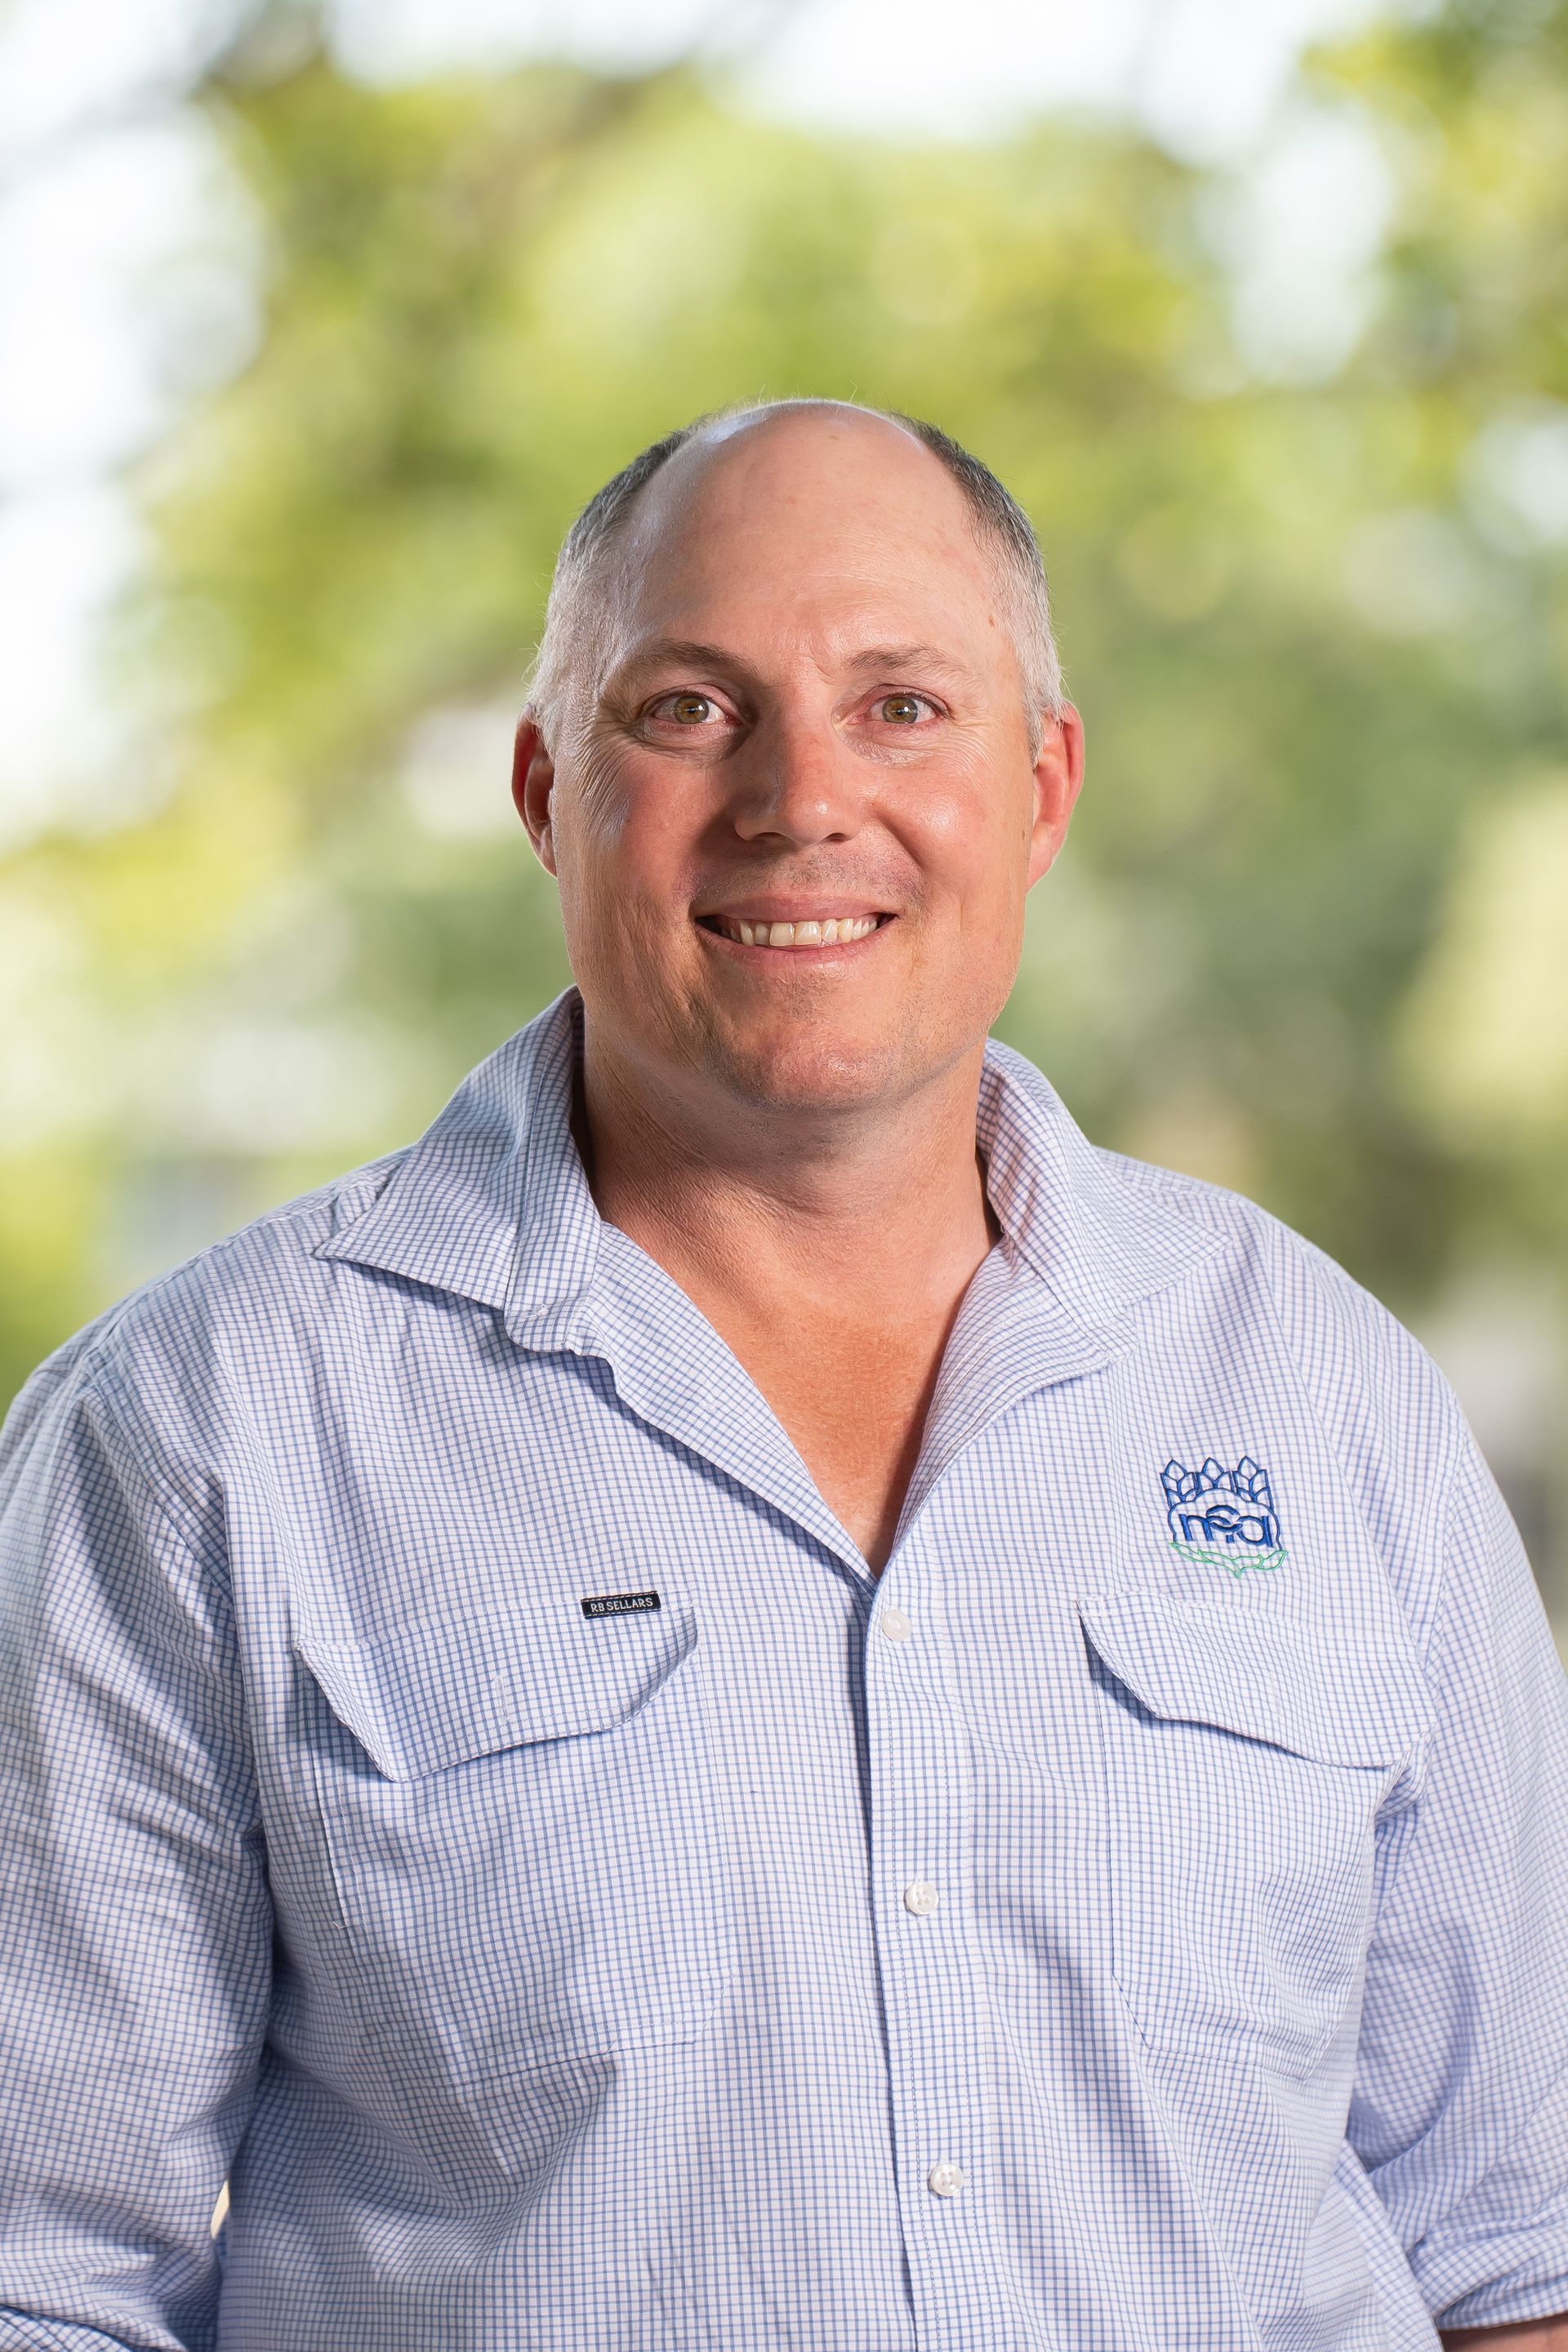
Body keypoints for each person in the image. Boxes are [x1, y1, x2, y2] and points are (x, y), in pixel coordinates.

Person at [1, 399, 1565, 2352]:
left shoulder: (1332, 1404)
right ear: (546, 789)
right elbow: (43, 2277)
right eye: (688, 709)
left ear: (1046, 786)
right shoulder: (197, 1441)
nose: (800, 796)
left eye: (905, 704)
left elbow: (1519, 2244)